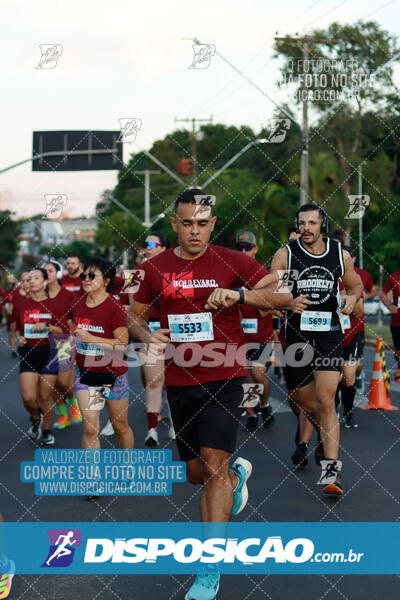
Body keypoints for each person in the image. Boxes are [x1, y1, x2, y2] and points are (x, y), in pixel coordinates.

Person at [129, 188, 298, 600]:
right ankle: (238, 476)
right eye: (186, 223)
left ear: (213, 225)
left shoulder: (233, 260)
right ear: (174, 224)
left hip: (226, 376)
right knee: (195, 474)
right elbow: (131, 316)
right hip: (180, 381)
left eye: (202, 224)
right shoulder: (155, 268)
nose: (194, 231)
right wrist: (149, 333)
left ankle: (210, 566)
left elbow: (282, 296)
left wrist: (240, 295)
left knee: (214, 467)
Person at [271, 203, 362, 495]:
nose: (307, 228)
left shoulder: (339, 254)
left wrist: (350, 299)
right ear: (297, 225)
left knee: (325, 400)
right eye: (302, 222)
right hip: (297, 336)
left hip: (329, 334)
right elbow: (273, 291)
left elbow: (356, 285)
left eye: (312, 222)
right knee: (305, 402)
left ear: (322, 224)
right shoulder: (285, 254)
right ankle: (324, 436)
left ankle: (331, 473)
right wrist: (288, 300)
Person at [72, 257, 134, 453]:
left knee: (120, 427)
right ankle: (92, 480)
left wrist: (92, 339)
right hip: (87, 377)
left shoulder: (114, 308)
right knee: (90, 427)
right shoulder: (77, 305)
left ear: (107, 280)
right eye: (84, 275)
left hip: (114, 377)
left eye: (92, 275)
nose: (86, 279)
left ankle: (127, 469)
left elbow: (122, 345)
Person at [14, 268, 63, 445]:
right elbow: (19, 330)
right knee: (28, 398)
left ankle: (47, 432)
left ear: (44, 282)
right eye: (29, 278)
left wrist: (47, 326)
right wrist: (19, 338)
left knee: (44, 397)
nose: (32, 281)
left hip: (49, 353)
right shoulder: (20, 304)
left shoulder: (54, 305)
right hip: (28, 352)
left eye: (36, 278)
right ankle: (36, 419)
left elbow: (64, 331)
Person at [235, 232, 274, 431]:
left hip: (263, 336)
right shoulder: (233, 275)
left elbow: (278, 305)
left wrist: (260, 302)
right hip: (240, 337)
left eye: (247, 248)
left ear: (255, 249)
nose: (243, 251)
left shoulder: (265, 275)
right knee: (245, 377)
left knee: (258, 374)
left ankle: (265, 404)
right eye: (240, 248)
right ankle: (251, 415)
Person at [45, 261, 82, 429]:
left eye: (50, 271)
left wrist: (74, 342)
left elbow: (75, 321)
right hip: (44, 345)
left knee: (64, 382)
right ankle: (64, 415)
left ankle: (73, 402)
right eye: (44, 272)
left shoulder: (68, 296)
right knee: (51, 383)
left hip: (65, 342)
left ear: (58, 274)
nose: (47, 274)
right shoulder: (39, 297)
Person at [381, 268, 400, 382]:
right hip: (397, 320)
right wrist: (389, 306)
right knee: (398, 352)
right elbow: (383, 295)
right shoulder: (394, 277)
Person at [3, 274, 18, 358]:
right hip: (10, 316)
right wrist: (7, 311)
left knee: (19, 333)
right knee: (11, 334)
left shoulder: (19, 290)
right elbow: (4, 303)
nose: (9, 281)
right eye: (8, 279)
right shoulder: (6, 291)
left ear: (15, 280)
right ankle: (13, 350)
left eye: (11, 279)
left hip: (19, 315)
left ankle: (22, 348)